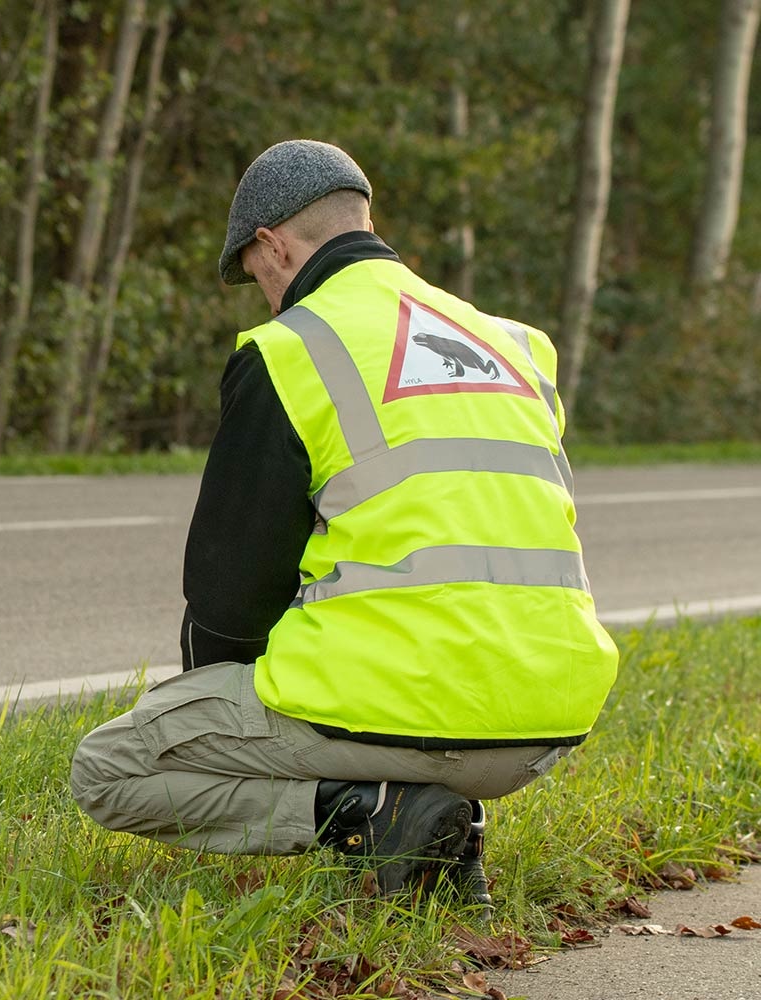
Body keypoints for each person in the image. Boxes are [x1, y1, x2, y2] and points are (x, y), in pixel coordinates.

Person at [71, 139, 619, 912]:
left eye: (256, 274)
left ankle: (369, 815)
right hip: (553, 720)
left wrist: (213, 705)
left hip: (408, 712)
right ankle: (448, 827)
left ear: (273, 245)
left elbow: (231, 595)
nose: (263, 294)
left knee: (109, 767)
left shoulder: (294, 348)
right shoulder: (514, 343)